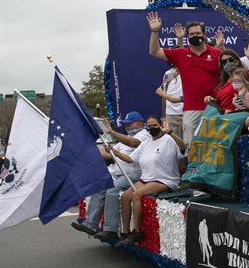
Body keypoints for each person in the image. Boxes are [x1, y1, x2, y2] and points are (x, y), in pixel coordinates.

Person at [72, 111, 150, 240]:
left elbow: (133, 143)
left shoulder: (144, 135)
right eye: (126, 124)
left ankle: (110, 230)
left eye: (129, 124)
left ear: (139, 123)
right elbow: (109, 153)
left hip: (134, 173)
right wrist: (87, 151)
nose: (127, 127)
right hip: (120, 173)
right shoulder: (124, 139)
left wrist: (112, 132)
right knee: (100, 185)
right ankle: (90, 224)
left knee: (112, 190)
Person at [147, 13, 221, 148]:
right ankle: (193, 170)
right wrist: (154, 31)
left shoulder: (217, 54)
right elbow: (154, 51)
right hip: (191, 109)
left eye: (198, 33)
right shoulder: (181, 55)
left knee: (215, 145)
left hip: (215, 107)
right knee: (192, 146)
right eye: (191, 34)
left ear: (204, 35)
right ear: (187, 37)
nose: (195, 36)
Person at [116, 116, 186, 247]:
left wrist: (169, 131)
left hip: (164, 179)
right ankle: (124, 233)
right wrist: (114, 151)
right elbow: (130, 159)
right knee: (125, 197)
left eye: (155, 125)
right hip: (146, 178)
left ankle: (136, 231)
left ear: (160, 125)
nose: (152, 128)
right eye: (149, 126)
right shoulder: (146, 143)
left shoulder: (168, 140)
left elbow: (183, 147)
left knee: (137, 194)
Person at [156, 68, 184, 140]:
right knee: (172, 142)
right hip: (170, 114)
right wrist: (164, 117)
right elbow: (164, 95)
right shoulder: (168, 73)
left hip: (185, 112)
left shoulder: (189, 70)